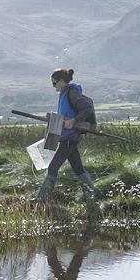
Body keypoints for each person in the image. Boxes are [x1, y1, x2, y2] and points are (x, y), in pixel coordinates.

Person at [34, 68, 97, 205]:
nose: (53, 86)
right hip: (67, 138)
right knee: (78, 169)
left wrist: (73, 121)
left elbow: (87, 108)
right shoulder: (63, 94)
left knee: (53, 168)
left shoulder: (71, 92)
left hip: (70, 138)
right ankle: (91, 199)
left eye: (54, 83)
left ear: (62, 81)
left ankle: (41, 201)